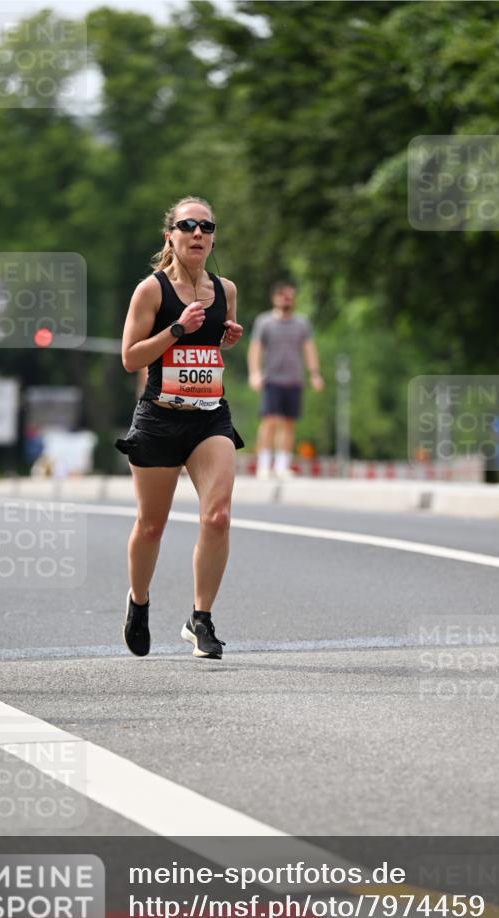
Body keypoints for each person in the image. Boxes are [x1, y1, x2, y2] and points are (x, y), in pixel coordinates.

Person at [115, 196, 244, 659]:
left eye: (206, 227)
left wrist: (225, 339)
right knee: (151, 526)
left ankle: (200, 619)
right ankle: (139, 602)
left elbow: (209, 352)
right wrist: (176, 329)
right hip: (160, 417)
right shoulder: (151, 291)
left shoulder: (225, 290)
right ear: (170, 235)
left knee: (218, 516)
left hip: (209, 416)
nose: (198, 234)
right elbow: (130, 357)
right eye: (188, 225)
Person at [247, 281, 324, 478]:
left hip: (294, 379)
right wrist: (254, 373)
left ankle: (282, 465)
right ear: (275, 298)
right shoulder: (265, 322)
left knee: (289, 423)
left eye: (289, 296)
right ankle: (264, 464)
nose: (286, 300)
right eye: (282, 296)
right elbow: (256, 348)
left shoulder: (302, 323)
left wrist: (314, 373)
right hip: (271, 378)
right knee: (269, 421)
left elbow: (309, 349)